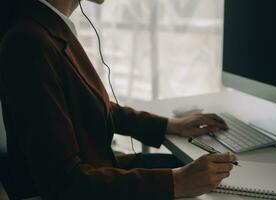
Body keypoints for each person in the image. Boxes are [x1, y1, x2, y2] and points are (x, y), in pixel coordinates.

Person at [0, 0, 237, 199]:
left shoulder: (47, 26)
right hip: (80, 187)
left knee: (203, 174)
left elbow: (86, 107)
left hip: (95, 173)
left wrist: (169, 125)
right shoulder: (28, 42)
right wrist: (177, 182)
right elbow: (62, 182)